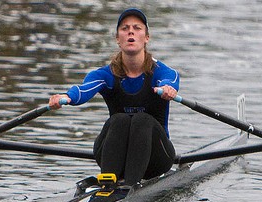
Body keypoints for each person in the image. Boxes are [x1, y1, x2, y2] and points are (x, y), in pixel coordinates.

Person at [49, 8, 180, 186]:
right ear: (118, 39)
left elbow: (171, 79)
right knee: (118, 120)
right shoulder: (106, 74)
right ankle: (109, 182)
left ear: (146, 37)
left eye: (137, 28)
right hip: (114, 155)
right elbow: (84, 89)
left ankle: (129, 187)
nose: (131, 32)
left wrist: (168, 89)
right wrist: (67, 96)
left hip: (156, 158)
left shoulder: (161, 72)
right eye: (125, 28)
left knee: (142, 120)